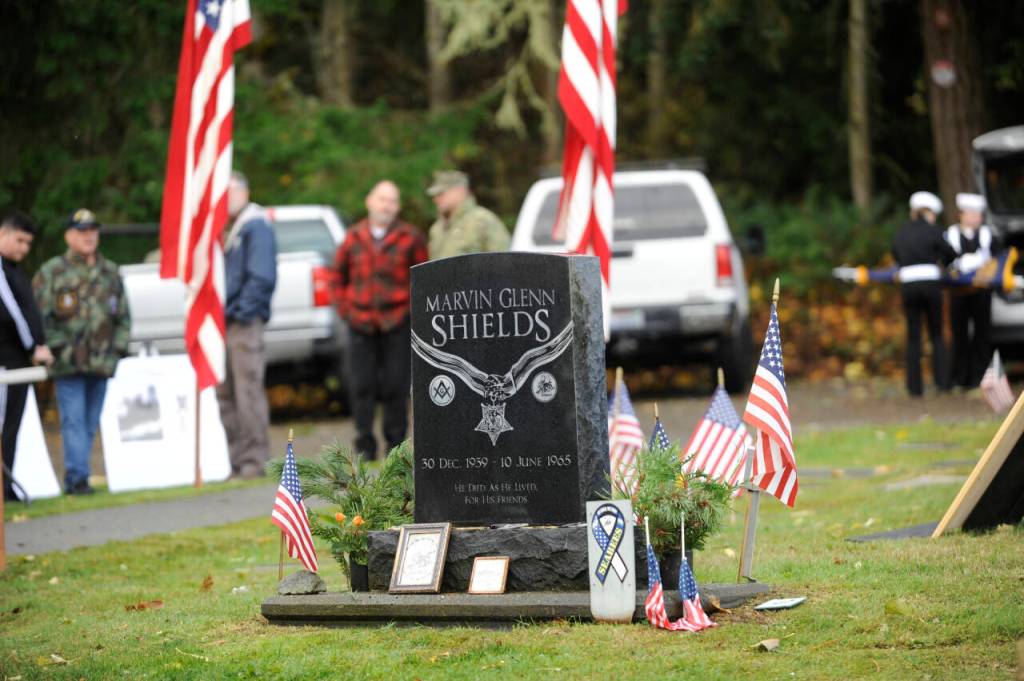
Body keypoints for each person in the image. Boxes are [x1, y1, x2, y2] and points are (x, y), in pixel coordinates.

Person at [34, 208, 130, 495]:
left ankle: (80, 473)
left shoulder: (110, 272)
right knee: (73, 420)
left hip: (101, 362)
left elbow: (123, 316)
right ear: (69, 235)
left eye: (93, 230)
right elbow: (39, 318)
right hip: (68, 363)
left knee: (89, 421)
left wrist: (118, 349)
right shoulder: (52, 272)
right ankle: (77, 478)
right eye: (82, 231)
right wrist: (57, 347)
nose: (89, 236)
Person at [333, 180, 427, 460]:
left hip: (396, 322)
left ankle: (395, 449)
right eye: (382, 199)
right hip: (360, 323)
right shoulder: (353, 237)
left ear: (398, 206)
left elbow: (421, 279)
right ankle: (364, 446)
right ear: (369, 202)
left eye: (392, 201)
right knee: (361, 385)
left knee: (396, 387)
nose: (386, 205)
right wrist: (346, 311)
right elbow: (337, 277)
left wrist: (410, 312)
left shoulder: (410, 237)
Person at [217, 171, 277, 478]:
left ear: (244, 192)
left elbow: (261, 277)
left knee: (247, 391)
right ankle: (237, 460)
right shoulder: (228, 228)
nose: (225, 200)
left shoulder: (255, 226)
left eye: (230, 193)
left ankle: (254, 460)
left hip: (243, 322)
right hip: (225, 321)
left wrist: (241, 311)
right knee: (226, 393)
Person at [0, 212, 54, 501]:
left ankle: (6, 487)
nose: (23, 249)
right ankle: (4, 490)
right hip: (8, 362)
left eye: (28, 244)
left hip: (16, 362)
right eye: (19, 240)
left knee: (11, 427)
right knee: (6, 428)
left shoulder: (12, 269)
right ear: (3, 234)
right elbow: (14, 315)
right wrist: (35, 347)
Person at [891, 191, 957, 397]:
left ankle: (914, 387)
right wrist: (944, 265)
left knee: (913, 336)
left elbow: (895, 254)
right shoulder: (934, 230)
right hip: (930, 284)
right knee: (936, 333)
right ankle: (943, 383)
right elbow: (951, 254)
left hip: (909, 286)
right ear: (928, 212)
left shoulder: (901, 232)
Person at [945, 192, 1000, 389]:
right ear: (963, 215)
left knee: (982, 334)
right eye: (973, 214)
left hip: (981, 292)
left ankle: (981, 378)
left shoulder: (988, 236)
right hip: (958, 293)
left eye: (979, 214)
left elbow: (996, 260)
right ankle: (960, 378)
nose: (977, 218)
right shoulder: (949, 235)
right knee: (959, 334)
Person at [426, 170, 509, 259]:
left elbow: (503, 261)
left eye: (441, 194)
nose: (436, 199)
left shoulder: (482, 220)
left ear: (460, 191)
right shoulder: (437, 229)